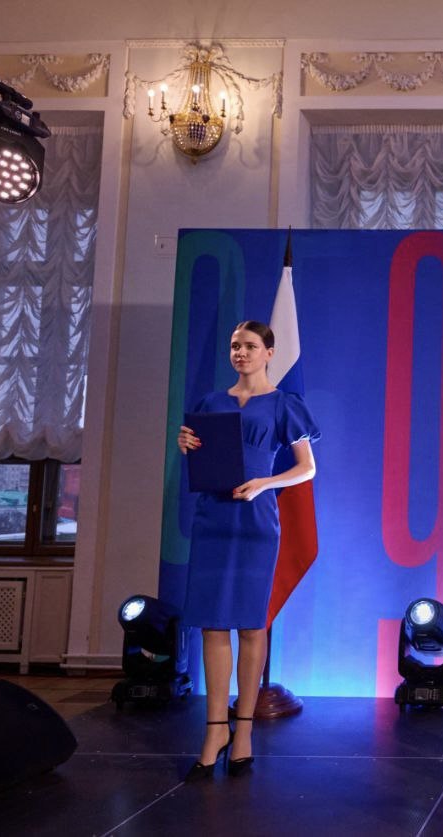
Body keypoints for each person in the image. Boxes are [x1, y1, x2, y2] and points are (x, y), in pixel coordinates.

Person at [176, 320, 320, 780]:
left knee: (252, 625)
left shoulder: (284, 404)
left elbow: (307, 469)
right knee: (212, 624)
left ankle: (243, 735)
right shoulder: (210, 402)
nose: (240, 353)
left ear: (269, 353)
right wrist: (186, 444)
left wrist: (264, 484)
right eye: (235, 345)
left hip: (256, 522)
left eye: (250, 346)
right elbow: (199, 452)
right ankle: (214, 732)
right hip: (212, 519)